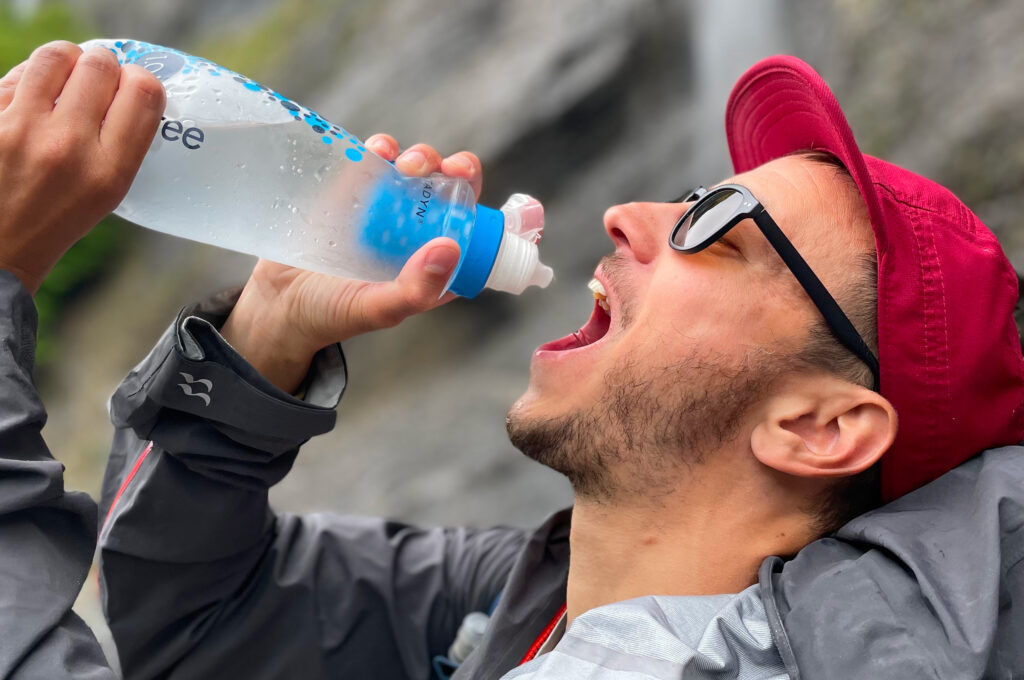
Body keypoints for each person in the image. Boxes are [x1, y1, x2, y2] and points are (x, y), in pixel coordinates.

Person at [1, 42, 1022, 680]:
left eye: (721, 224)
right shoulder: (518, 610)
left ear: (819, 424)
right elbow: (199, 625)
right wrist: (266, 336)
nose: (627, 216)